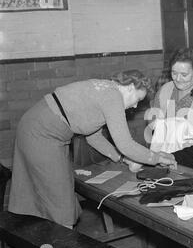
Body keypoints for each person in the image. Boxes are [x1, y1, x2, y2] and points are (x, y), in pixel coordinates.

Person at [8, 70, 176, 228]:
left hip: (40, 127)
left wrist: (123, 159)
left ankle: (50, 243)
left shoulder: (106, 89)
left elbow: (94, 138)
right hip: (43, 133)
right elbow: (125, 144)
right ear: (131, 87)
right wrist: (157, 157)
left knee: (58, 193)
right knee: (60, 201)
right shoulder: (112, 95)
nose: (134, 106)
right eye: (137, 100)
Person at [149, 48, 193, 153]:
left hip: (192, 155)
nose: (178, 78)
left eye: (184, 75)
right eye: (174, 73)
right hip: (163, 152)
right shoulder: (165, 90)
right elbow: (153, 122)